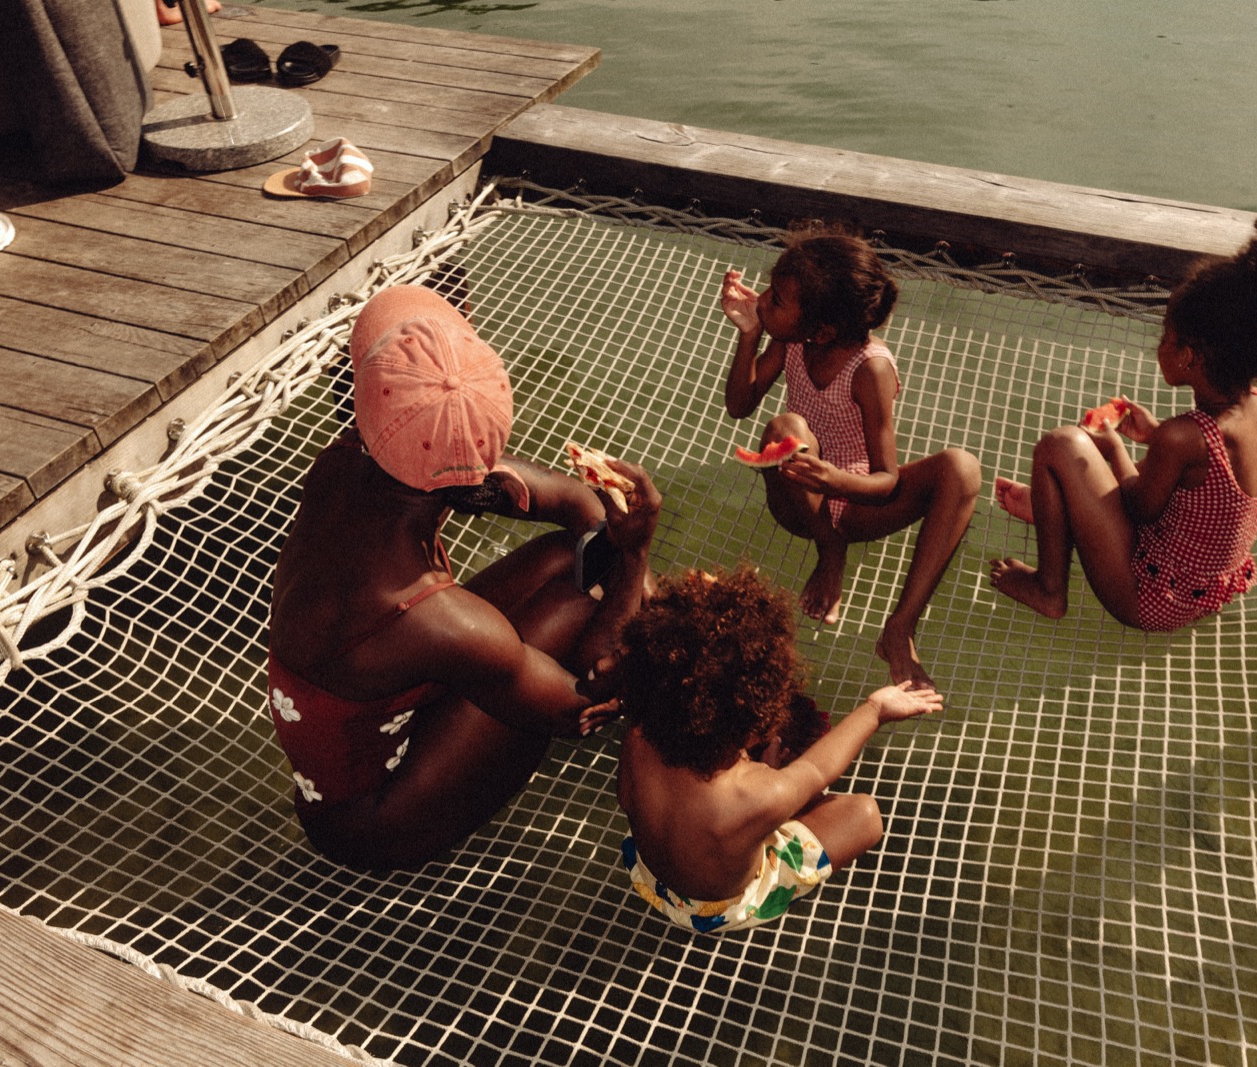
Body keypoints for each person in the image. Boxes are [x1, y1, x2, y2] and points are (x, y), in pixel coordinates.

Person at [267, 283, 660, 870]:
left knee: (571, 558)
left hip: (379, 698)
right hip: (368, 823)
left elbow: (572, 502)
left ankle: (628, 616)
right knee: (590, 601)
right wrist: (635, 558)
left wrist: (619, 555)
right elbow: (576, 710)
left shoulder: (345, 462)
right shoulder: (439, 622)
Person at [990, 218, 1257, 631]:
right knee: (1111, 470)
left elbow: (1138, 508)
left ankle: (1048, 590)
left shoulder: (1182, 437)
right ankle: (1054, 515)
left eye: (1165, 336)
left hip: (1151, 598)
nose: (1159, 346)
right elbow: (1199, 483)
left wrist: (1113, 446)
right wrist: (1153, 437)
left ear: (1187, 356)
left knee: (1059, 445)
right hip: (1209, 589)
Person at [720, 224, 982, 689]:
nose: (762, 300)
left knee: (961, 468)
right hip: (798, 500)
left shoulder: (870, 369)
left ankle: (900, 627)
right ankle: (830, 549)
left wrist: (834, 480)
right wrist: (749, 335)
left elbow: (886, 480)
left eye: (776, 300)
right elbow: (740, 406)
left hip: (856, 497)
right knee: (785, 429)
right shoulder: (790, 339)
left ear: (822, 331)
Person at [614, 566, 943, 933]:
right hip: (718, 910)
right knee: (865, 816)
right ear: (753, 729)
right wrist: (875, 709)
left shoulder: (639, 736)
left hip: (649, 876)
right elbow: (816, 770)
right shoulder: (760, 794)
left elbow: (629, 798)